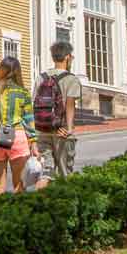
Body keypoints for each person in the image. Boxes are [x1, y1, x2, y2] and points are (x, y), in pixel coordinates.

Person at [0, 56, 38, 195]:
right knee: (19, 186)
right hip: (17, 136)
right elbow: (28, 119)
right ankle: (16, 216)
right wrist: (33, 141)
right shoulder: (23, 93)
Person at [35, 40, 82, 188]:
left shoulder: (41, 78)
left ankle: (39, 204)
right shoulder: (71, 79)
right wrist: (69, 129)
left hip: (42, 130)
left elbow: (34, 104)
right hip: (61, 131)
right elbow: (69, 105)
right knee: (64, 174)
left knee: (45, 172)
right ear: (67, 57)